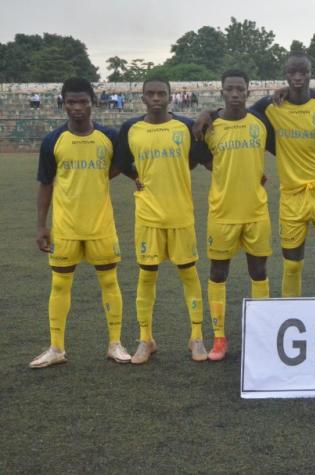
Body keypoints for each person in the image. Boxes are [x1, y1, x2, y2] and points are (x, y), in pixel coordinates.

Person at [219, 52, 315, 297]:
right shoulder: (271, 106)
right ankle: (290, 313)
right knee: (292, 266)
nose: (298, 77)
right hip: (291, 196)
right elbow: (238, 116)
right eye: (292, 72)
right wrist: (210, 114)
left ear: (310, 74)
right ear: (285, 75)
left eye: (303, 71)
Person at [30, 77, 131, 368]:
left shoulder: (109, 137)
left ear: (93, 103)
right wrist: (41, 226)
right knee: (60, 284)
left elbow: (119, 166)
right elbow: (46, 184)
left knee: (109, 281)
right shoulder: (53, 140)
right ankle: (56, 348)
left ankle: (115, 344)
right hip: (65, 228)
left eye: (83, 102)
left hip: (101, 226)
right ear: (63, 104)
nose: (77, 107)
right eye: (71, 102)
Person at [115, 77, 208, 364]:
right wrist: (137, 177)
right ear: (142, 98)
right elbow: (121, 162)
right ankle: (146, 339)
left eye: (161, 94)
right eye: (151, 94)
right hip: (148, 215)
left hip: (180, 213)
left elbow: (197, 158)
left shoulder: (185, 127)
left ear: (170, 97)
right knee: (147, 274)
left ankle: (196, 337)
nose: (156, 98)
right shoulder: (131, 128)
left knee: (188, 273)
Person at [192, 70, 274, 361]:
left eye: (240, 89)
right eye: (230, 89)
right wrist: (207, 114)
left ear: (248, 91)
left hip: (256, 212)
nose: (235, 94)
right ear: (222, 92)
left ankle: (261, 336)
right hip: (222, 213)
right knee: (218, 273)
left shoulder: (260, 122)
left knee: (259, 271)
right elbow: (201, 159)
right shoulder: (210, 127)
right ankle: (219, 338)